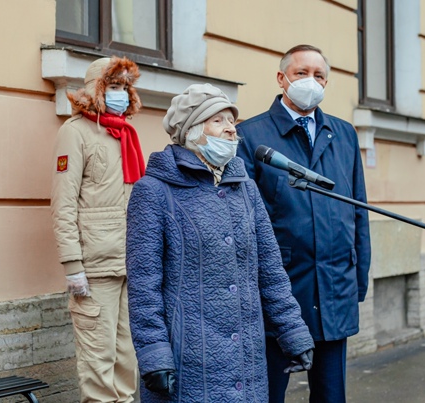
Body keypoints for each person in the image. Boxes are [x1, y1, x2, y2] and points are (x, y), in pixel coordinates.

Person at [126, 83, 315, 403]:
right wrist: (154, 355)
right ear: (191, 130)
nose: (231, 129)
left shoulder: (246, 189)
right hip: (188, 359)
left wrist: (293, 331)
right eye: (219, 120)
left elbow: (270, 269)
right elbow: (144, 286)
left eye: (232, 121)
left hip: (247, 359)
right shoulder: (154, 191)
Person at [236, 44, 372, 403]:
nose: (311, 81)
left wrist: (358, 278)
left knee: (331, 394)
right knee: (267, 394)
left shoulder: (343, 134)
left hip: (333, 286)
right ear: (282, 78)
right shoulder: (250, 136)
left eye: (319, 75)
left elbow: (358, 210)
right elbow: (243, 222)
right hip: (281, 290)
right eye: (301, 73)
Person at [50, 56, 145, 403]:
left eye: (125, 87)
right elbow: (63, 203)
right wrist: (72, 265)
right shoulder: (74, 132)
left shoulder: (125, 133)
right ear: (97, 89)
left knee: (126, 358)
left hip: (128, 261)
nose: (120, 93)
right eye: (113, 86)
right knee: (97, 361)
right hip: (94, 267)